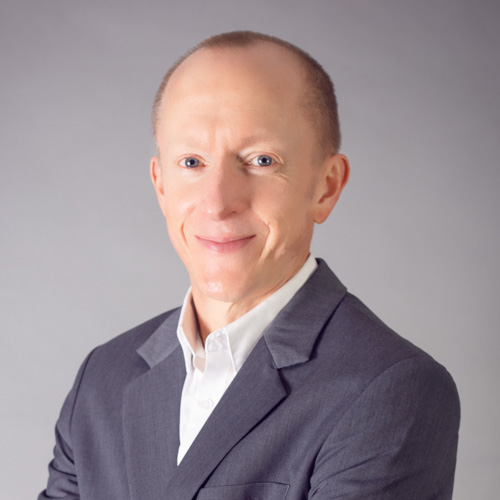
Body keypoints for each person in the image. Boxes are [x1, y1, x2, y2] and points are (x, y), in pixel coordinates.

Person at [39, 31, 460, 500]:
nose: (218, 202)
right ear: (160, 185)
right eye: (192, 162)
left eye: (261, 160)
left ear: (326, 186)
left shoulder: (391, 389)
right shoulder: (103, 378)